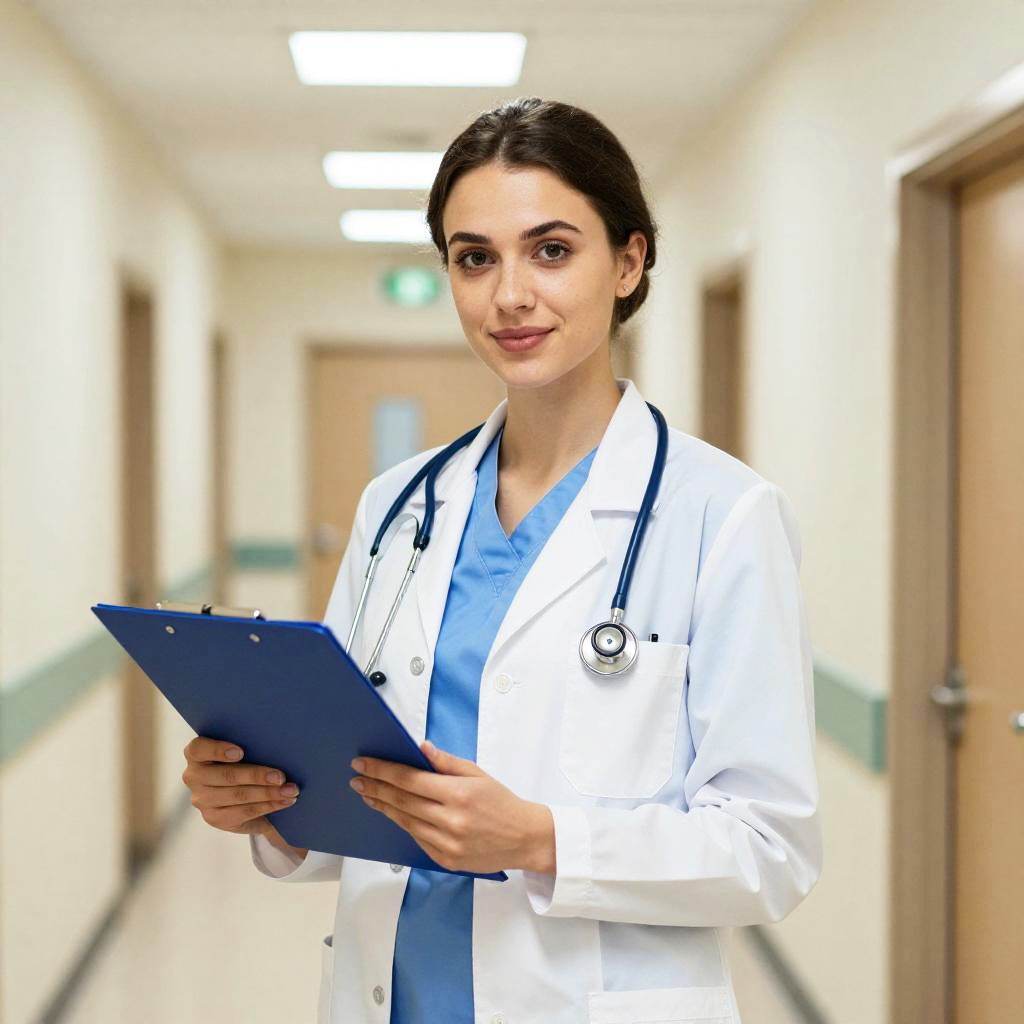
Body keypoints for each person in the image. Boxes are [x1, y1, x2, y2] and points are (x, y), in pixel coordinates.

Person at [181, 97, 821, 1024]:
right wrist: (265, 801)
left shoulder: (722, 514)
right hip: (389, 992)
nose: (508, 294)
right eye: (474, 257)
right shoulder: (397, 505)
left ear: (630, 260)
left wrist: (544, 839)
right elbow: (355, 788)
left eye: (551, 250)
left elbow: (770, 850)